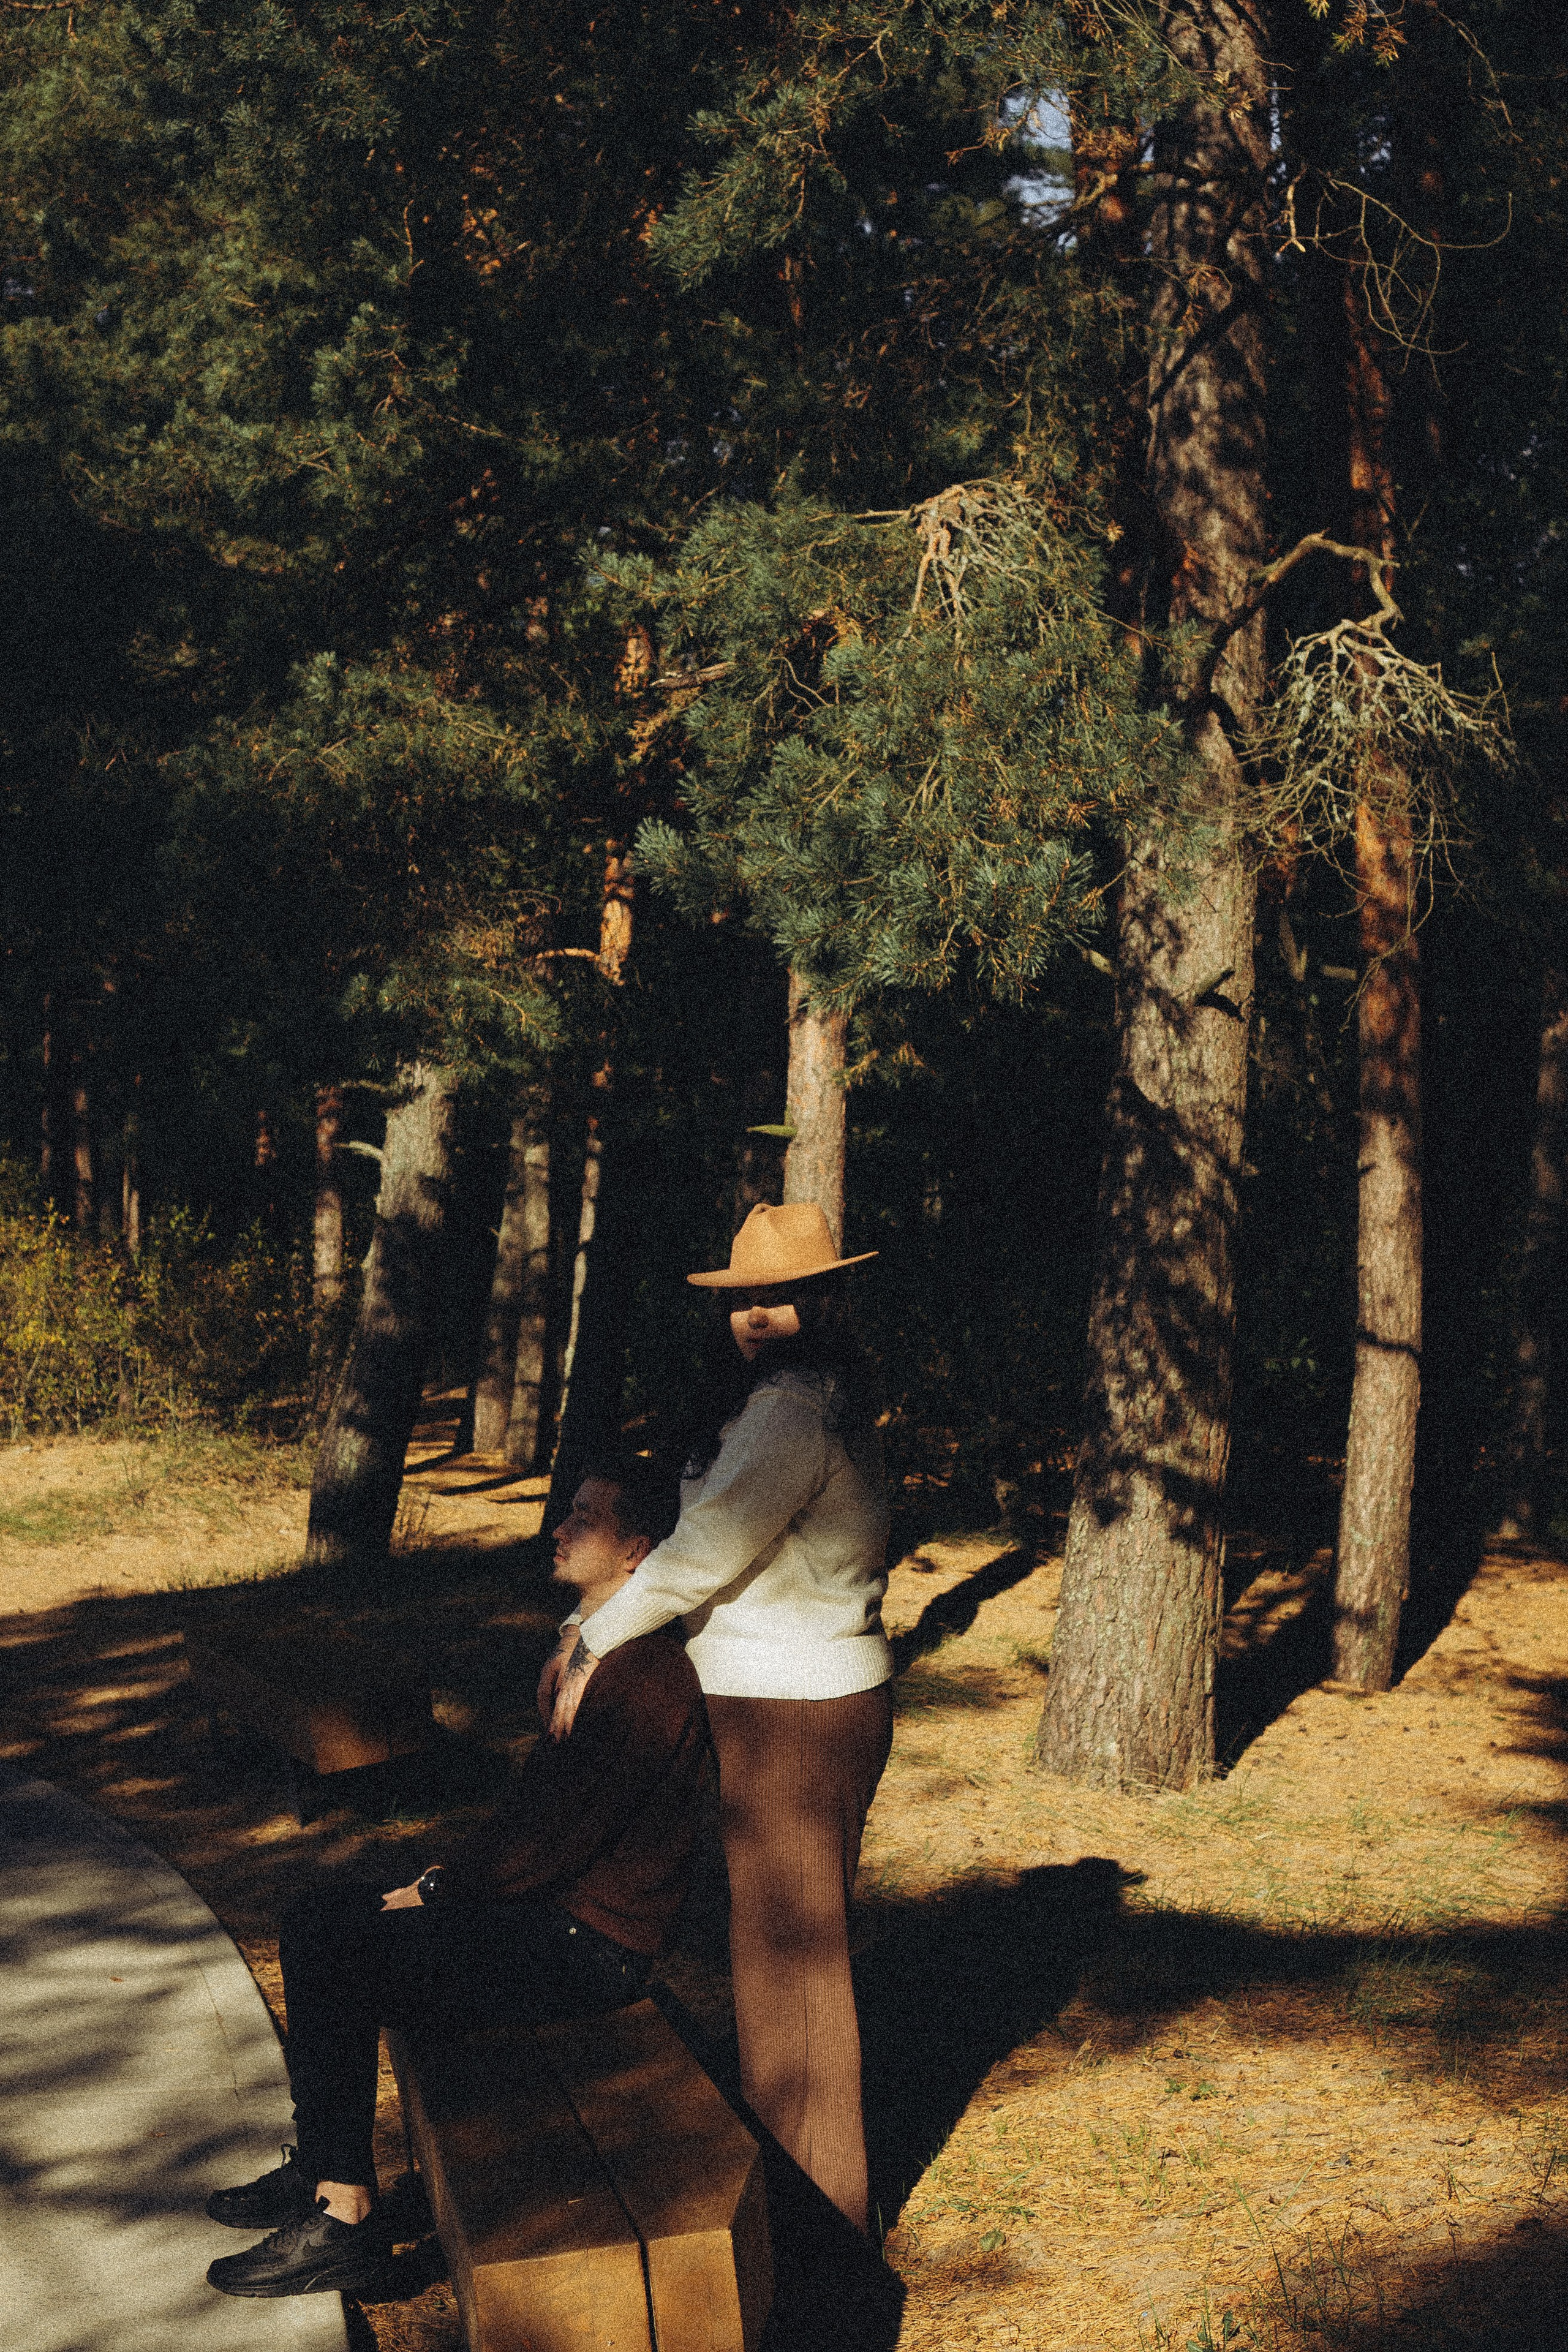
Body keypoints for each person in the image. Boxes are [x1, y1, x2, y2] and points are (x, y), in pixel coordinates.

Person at [203, 1455, 705, 2302]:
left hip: (592, 1947)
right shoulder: (596, 1650)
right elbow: (536, 1818)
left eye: (585, 1516)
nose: (560, 1528)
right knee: (317, 1915)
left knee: (342, 1945)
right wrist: (442, 1878)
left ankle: (344, 2219)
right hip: (549, 1916)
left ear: (637, 1553)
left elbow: (563, 1835)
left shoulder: (644, 1675)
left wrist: (438, 1892)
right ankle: (325, 2172)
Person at [541, 1200, 893, 2237]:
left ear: (823, 1299)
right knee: (779, 1972)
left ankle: (823, 2244)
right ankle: (807, 2214)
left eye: (782, 1296)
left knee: (794, 1980)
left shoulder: (791, 1412)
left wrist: (589, 1639)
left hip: (794, 1711)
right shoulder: (788, 1403)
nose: (759, 1314)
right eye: (745, 1298)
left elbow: (703, 1555)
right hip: (782, 1701)